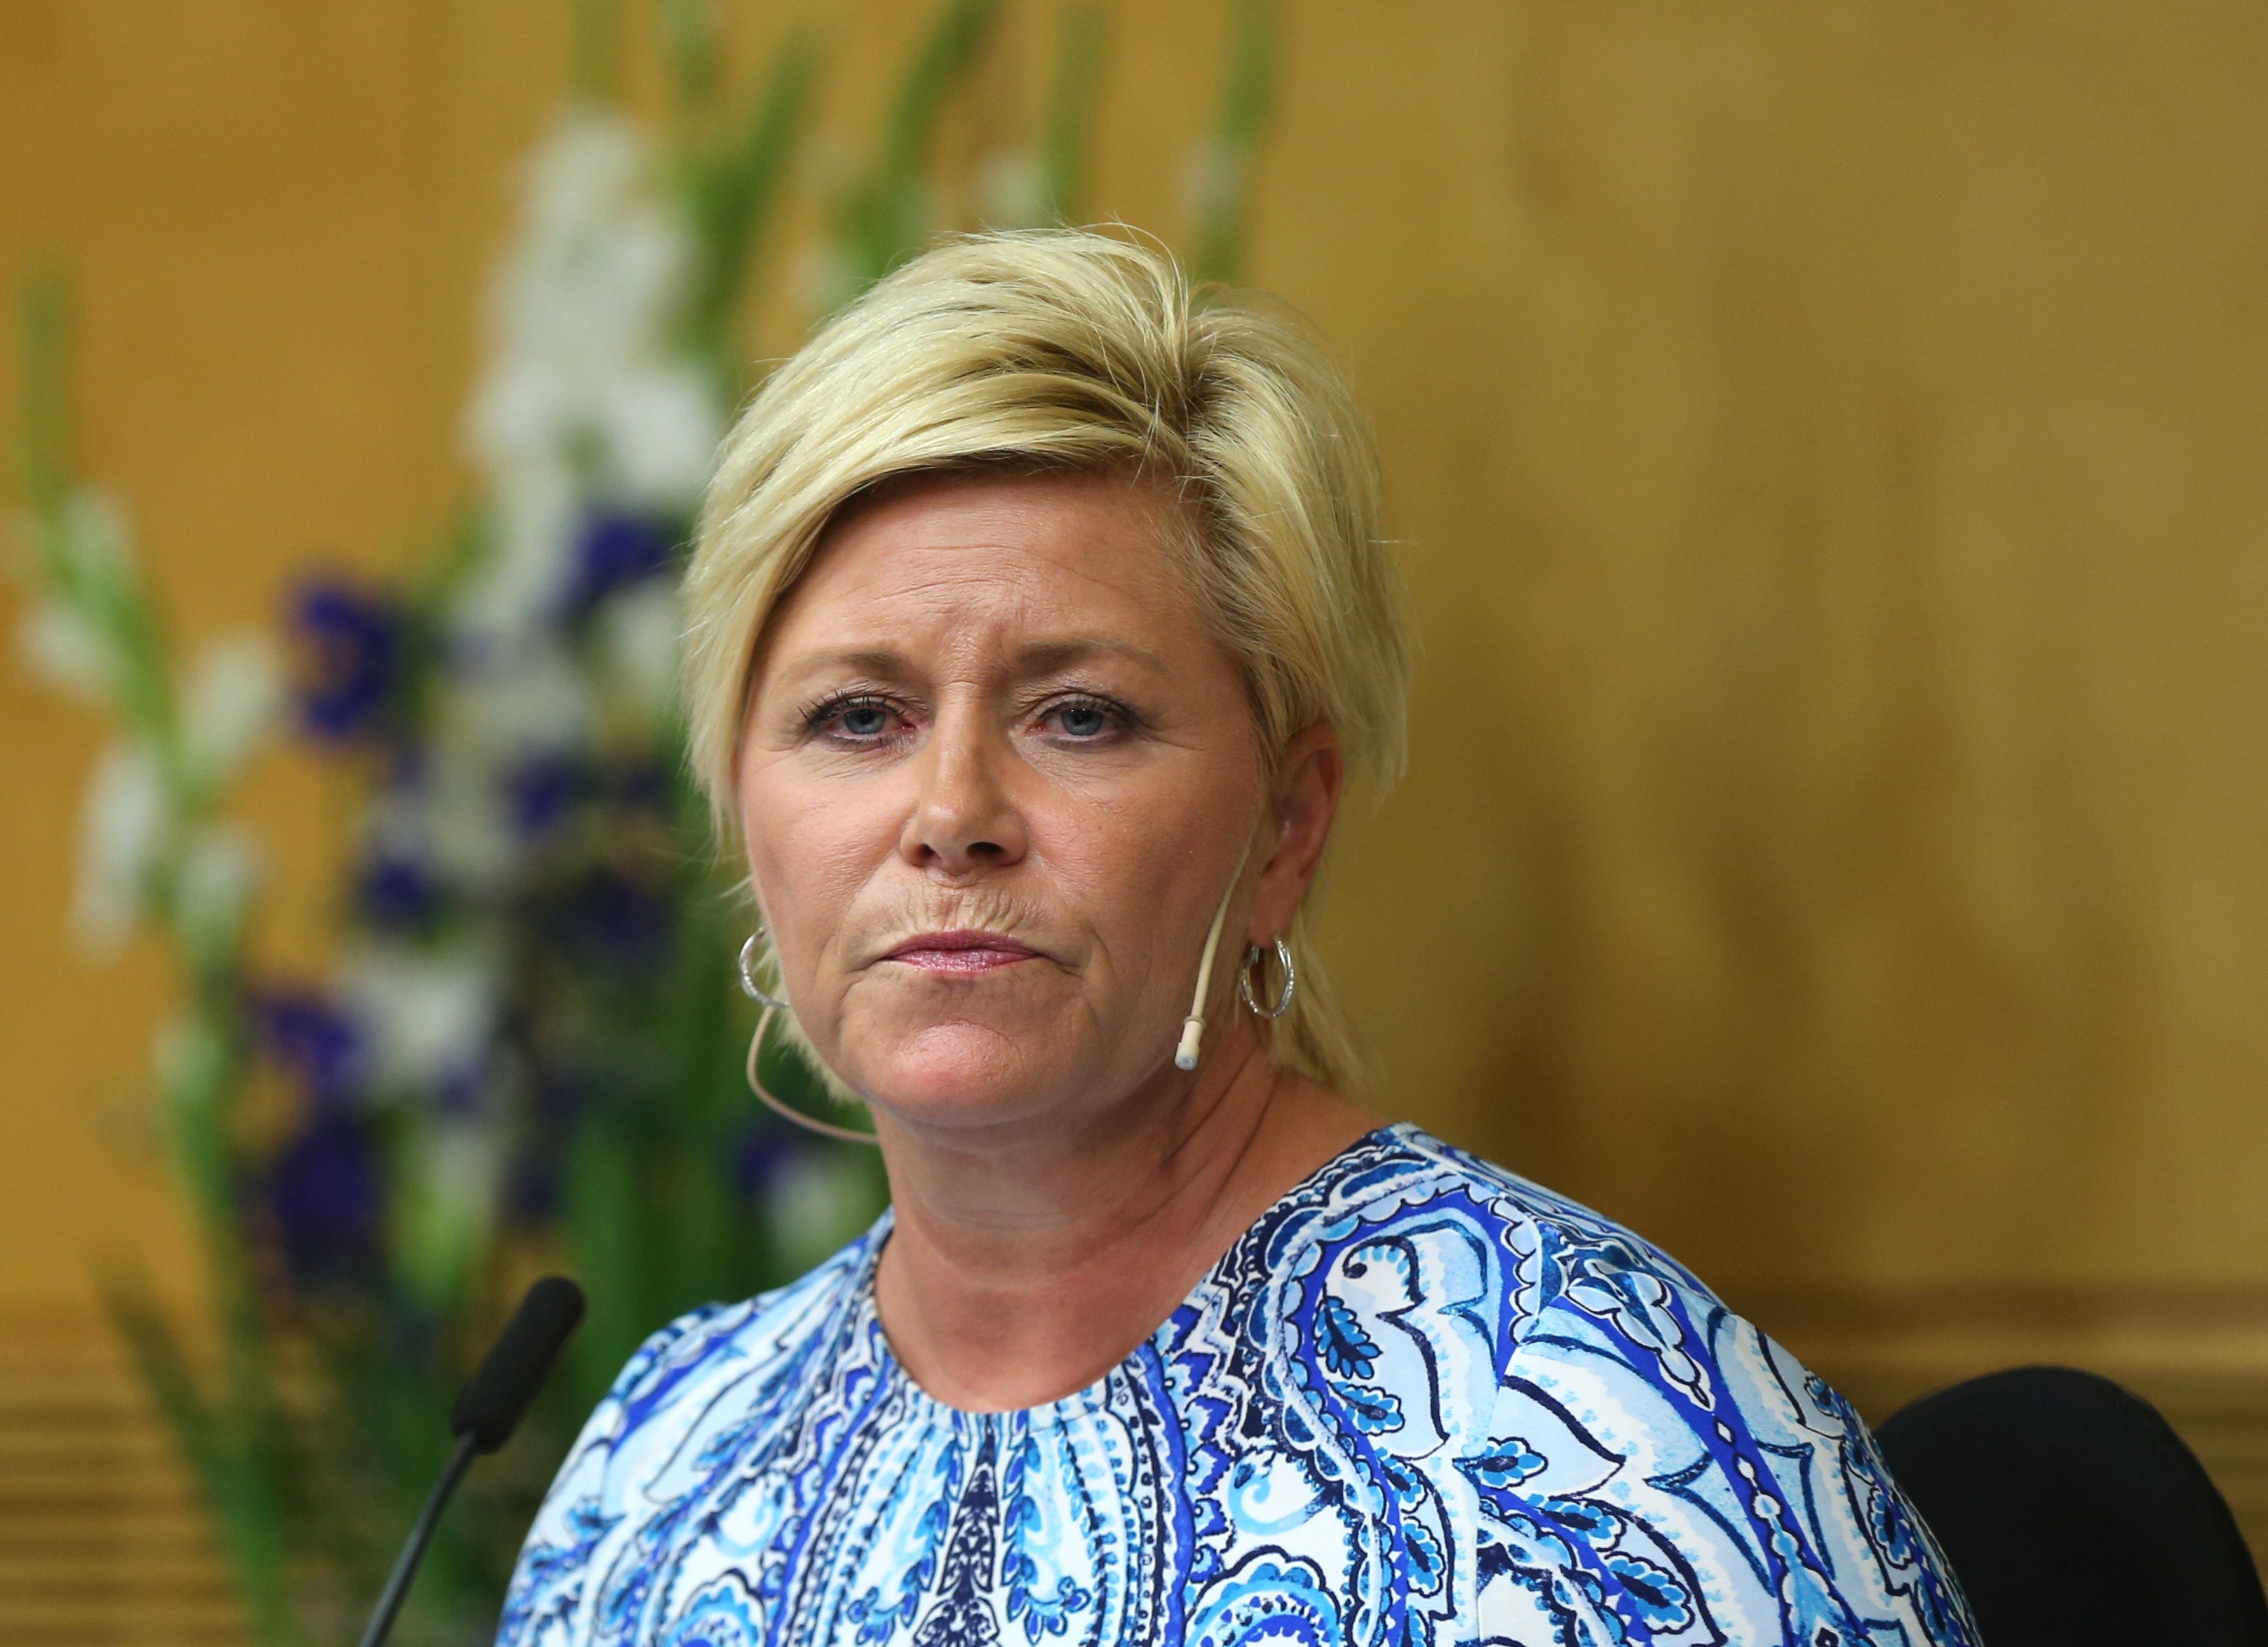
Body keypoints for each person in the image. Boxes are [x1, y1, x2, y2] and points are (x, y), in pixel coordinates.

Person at [497, 229, 1976, 1647]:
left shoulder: (1603, 1449)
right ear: (740, 812)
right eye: (856, 717)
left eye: (1079, 716)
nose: (951, 815)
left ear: (1284, 827)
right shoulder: (660, 1470)